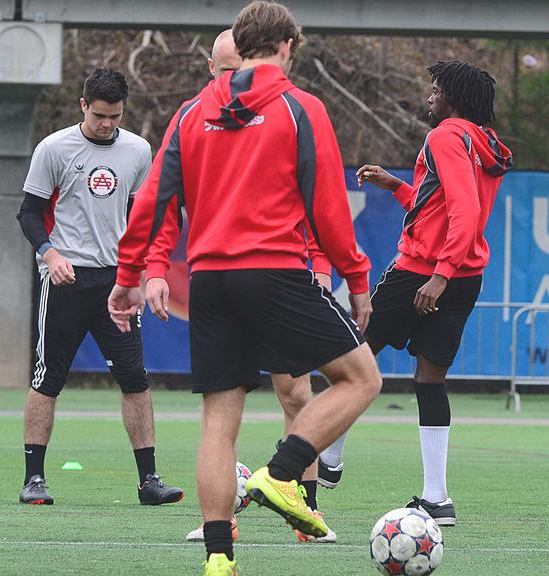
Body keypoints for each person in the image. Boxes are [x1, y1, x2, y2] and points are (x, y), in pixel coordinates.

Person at [107, 3, 382, 574]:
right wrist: (356, 276)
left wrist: (129, 275)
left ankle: (218, 558)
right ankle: (282, 475)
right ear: (284, 45)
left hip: (210, 282)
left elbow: (153, 200)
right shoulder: (300, 108)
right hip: (276, 273)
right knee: (361, 378)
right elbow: (328, 208)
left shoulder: (189, 114)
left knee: (218, 421)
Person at [182, 28, 335, 545]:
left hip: (267, 272)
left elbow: (311, 201)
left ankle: (304, 512)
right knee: (222, 417)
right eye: (225, 72)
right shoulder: (199, 115)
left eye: (238, 69)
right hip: (246, 276)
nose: (235, 79)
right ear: (214, 68)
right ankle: (220, 524)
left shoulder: (287, 112)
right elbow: (165, 199)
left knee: (295, 392)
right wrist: (150, 268)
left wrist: (321, 262)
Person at [13, 68, 184, 507]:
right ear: (83, 106)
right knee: (48, 378)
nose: (107, 123)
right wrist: (51, 255)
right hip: (66, 281)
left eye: (116, 116)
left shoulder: (138, 151)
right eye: (100, 115)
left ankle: (149, 481)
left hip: (118, 281)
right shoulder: (53, 148)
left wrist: (141, 271)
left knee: (135, 379)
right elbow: (29, 214)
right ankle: (34, 480)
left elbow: (141, 216)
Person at [356, 59, 512, 527]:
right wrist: (399, 187)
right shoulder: (485, 142)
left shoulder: (445, 135)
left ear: (454, 98)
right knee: (430, 382)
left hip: (424, 272)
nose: (430, 97)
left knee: (351, 357)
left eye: (436, 89)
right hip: (466, 276)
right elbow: (444, 207)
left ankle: (324, 467)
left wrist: (439, 273)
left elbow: (463, 209)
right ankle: (436, 499)